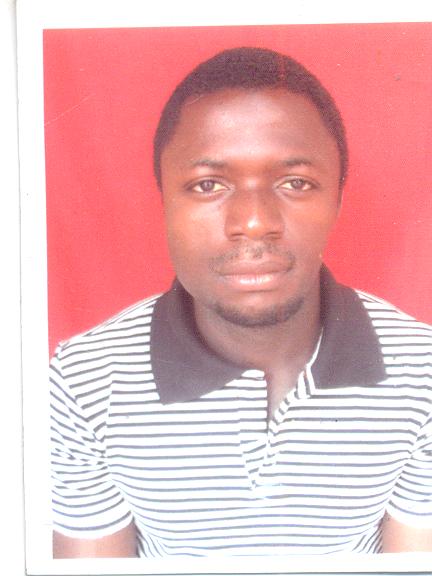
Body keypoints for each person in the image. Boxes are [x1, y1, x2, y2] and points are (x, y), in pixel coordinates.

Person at [50, 47, 432, 558]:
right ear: (164, 200)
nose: (254, 222)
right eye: (208, 185)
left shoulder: (423, 368)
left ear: (338, 198)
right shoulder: (83, 378)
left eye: (295, 183)